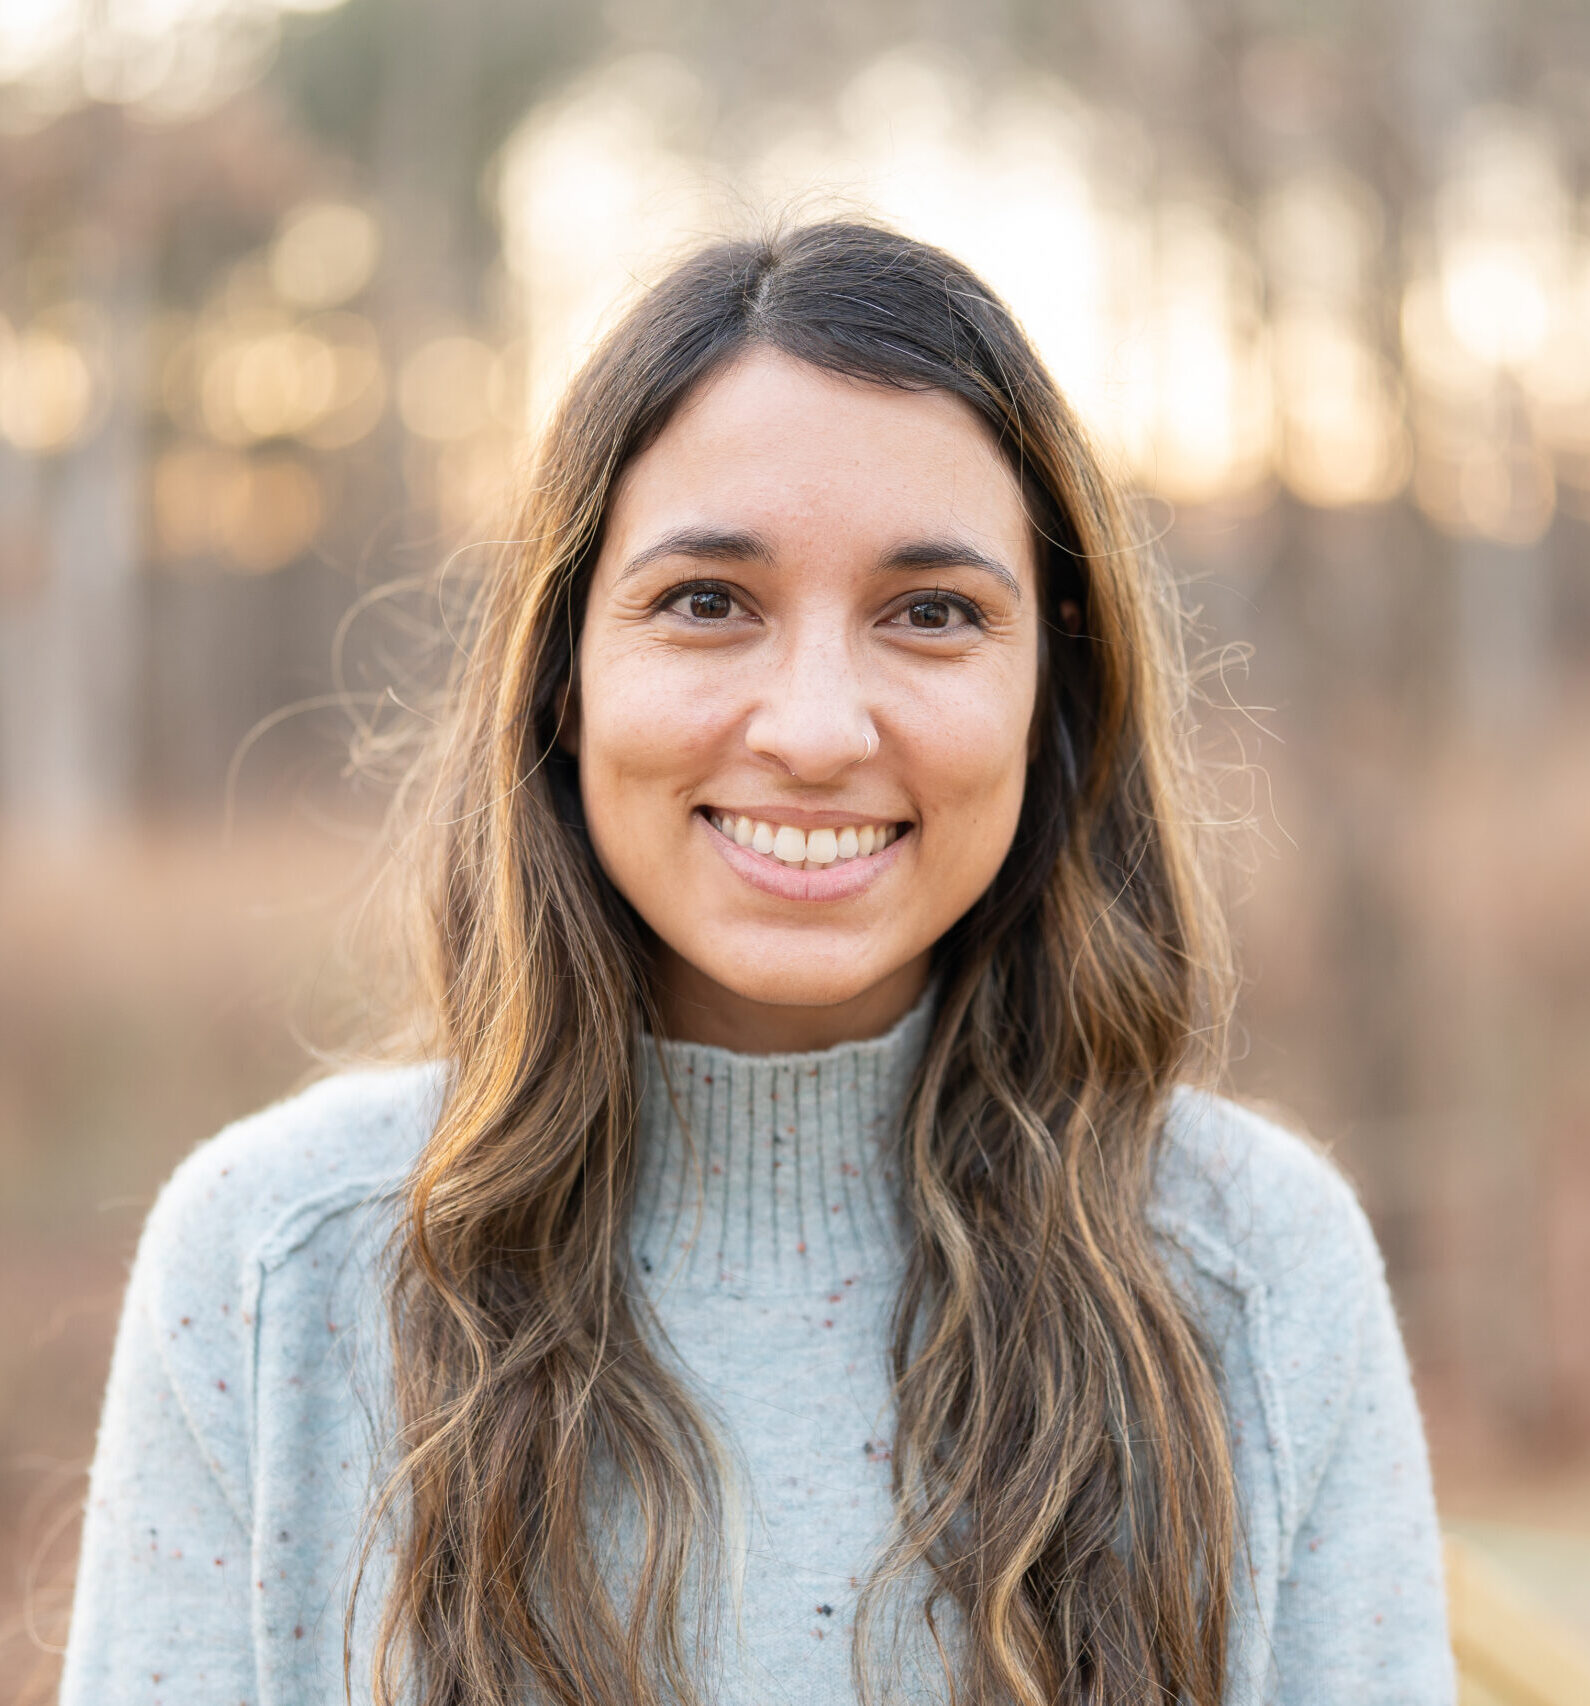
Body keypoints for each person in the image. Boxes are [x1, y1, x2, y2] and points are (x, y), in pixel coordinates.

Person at [60, 221, 1453, 1706]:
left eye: (929, 612)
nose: (813, 727)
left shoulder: (1246, 1270)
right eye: (707, 600)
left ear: (1050, 684)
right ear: (565, 675)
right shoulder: (273, 1270)